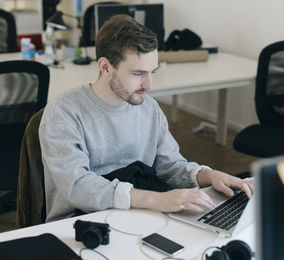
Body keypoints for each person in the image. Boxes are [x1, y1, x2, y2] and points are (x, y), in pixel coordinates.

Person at [39, 14, 254, 222]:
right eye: (138, 73)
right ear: (105, 67)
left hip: (140, 213)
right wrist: (158, 199)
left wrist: (211, 176)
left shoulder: (149, 108)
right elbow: (77, 186)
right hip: (81, 221)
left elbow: (170, 166)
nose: (149, 85)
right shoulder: (63, 113)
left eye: (153, 72)